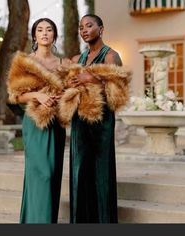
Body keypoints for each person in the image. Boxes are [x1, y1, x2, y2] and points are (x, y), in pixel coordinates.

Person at [7, 18, 70, 223]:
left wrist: (60, 98)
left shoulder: (64, 63)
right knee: (41, 174)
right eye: (40, 30)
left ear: (54, 35)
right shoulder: (25, 61)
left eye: (49, 29)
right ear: (34, 35)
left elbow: (73, 91)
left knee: (52, 175)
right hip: (34, 124)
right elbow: (15, 95)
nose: (44, 33)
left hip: (56, 124)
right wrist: (38, 96)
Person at [68, 14, 123, 223]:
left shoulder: (111, 56)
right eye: (81, 27)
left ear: (101, 29)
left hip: (101, 124)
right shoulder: (77, 60)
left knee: (100, 173)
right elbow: (68, 87)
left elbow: (117, 92)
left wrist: (90, 78)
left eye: (89, 26)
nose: (84, 30)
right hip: (79, 122)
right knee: (79, 172)